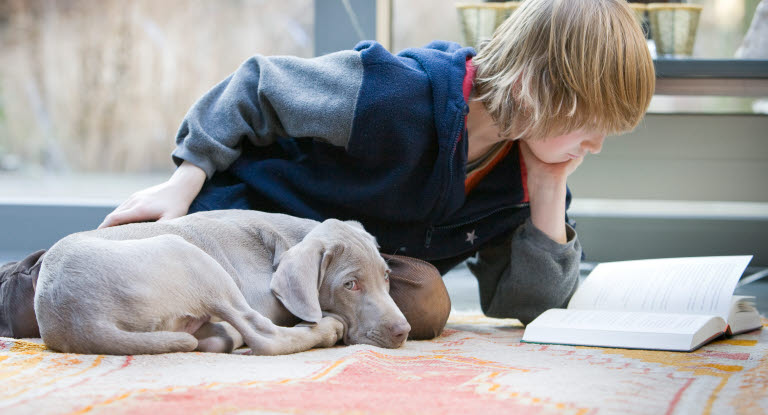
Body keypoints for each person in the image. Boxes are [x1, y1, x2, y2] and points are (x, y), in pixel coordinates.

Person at [0, 0, 655, 340]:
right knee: (63, 299)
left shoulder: (526, 169)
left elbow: (527, 306)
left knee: (425, 302)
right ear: (538, 86)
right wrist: (184, 180)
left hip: (331, 271)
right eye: (588, 122)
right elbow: (256, 89)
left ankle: (276, 324)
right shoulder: (392, 94)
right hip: (240, 234)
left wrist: (548, 185)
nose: (593, 144)